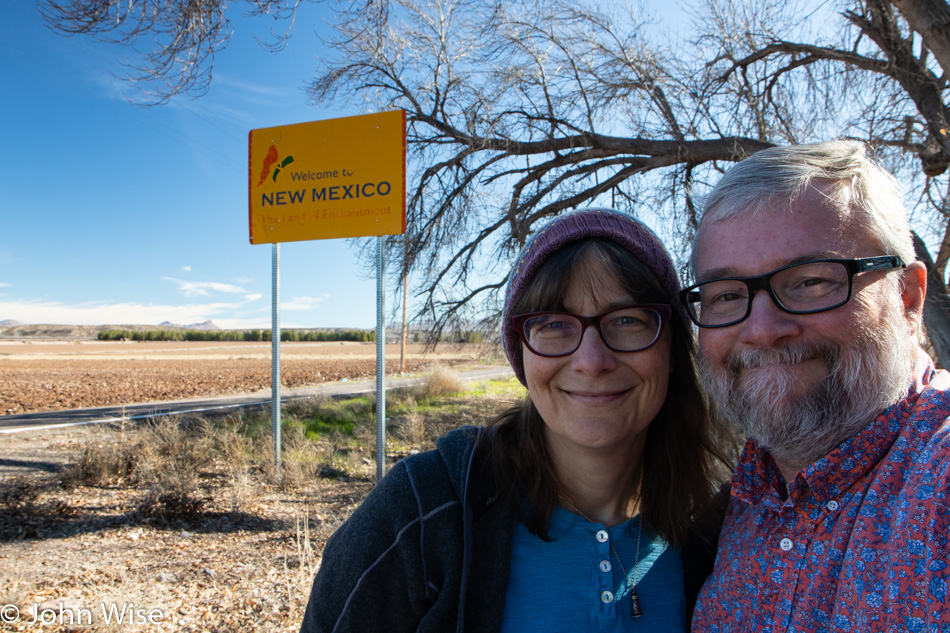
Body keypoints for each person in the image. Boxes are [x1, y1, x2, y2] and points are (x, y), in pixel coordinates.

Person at [299, 208, 732, 633]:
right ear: (522, 354)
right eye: (554, 325)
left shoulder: (719, 535)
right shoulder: (424, 510)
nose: (592, 360)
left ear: (671, 348)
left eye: (627, 320)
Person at [684, 140, 950, 631]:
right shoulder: (737, 501)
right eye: (724, 295)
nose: (762, 330)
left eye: (811, 282)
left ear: (908, 297)